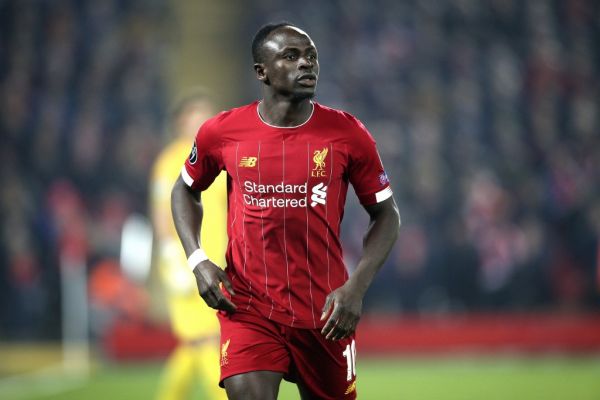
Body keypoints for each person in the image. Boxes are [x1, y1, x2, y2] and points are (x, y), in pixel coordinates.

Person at [171, 22, 400, 400]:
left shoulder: (348, 134)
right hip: (248, 307)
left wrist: (356, 288)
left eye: (311, 56)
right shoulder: (222, 132)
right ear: (261, 71)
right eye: (290, 56)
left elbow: (387, 215)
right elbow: (184, 189)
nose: (306, 64)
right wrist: (198, 260)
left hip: (325, 313)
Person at [150, 89, 227, 400]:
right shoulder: (170, 161)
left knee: (198, 342)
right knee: (206, 340)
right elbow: (160, 210)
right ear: (181, 123)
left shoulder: (221, 159)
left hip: (218, 263)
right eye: (196, 117)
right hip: (187, 264)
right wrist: (172, 258)